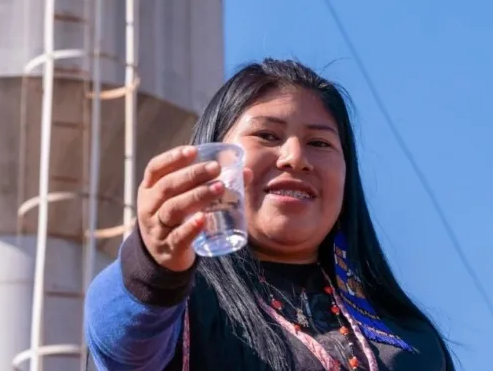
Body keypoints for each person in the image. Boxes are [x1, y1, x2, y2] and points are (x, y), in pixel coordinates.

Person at [84, 59, 456, 370]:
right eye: (267, 135)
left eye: (319, 142)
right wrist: (153, 267)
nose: (295, 157)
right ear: (213, 160)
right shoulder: (180, 306)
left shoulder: (411, 339)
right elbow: (122, 344)